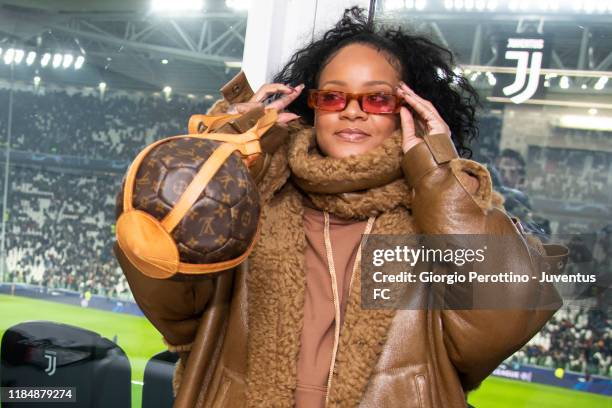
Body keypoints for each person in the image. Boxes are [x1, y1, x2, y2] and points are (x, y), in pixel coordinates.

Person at [114, 7, 567, 407]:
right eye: (333, 96)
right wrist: (226, 155)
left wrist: (437, 173)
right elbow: (164, 287)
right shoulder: (251, 205)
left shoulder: (443, 213)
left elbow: (510, 314)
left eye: (377, 98)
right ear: (315, 107)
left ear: (408, 109)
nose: (353, 111)